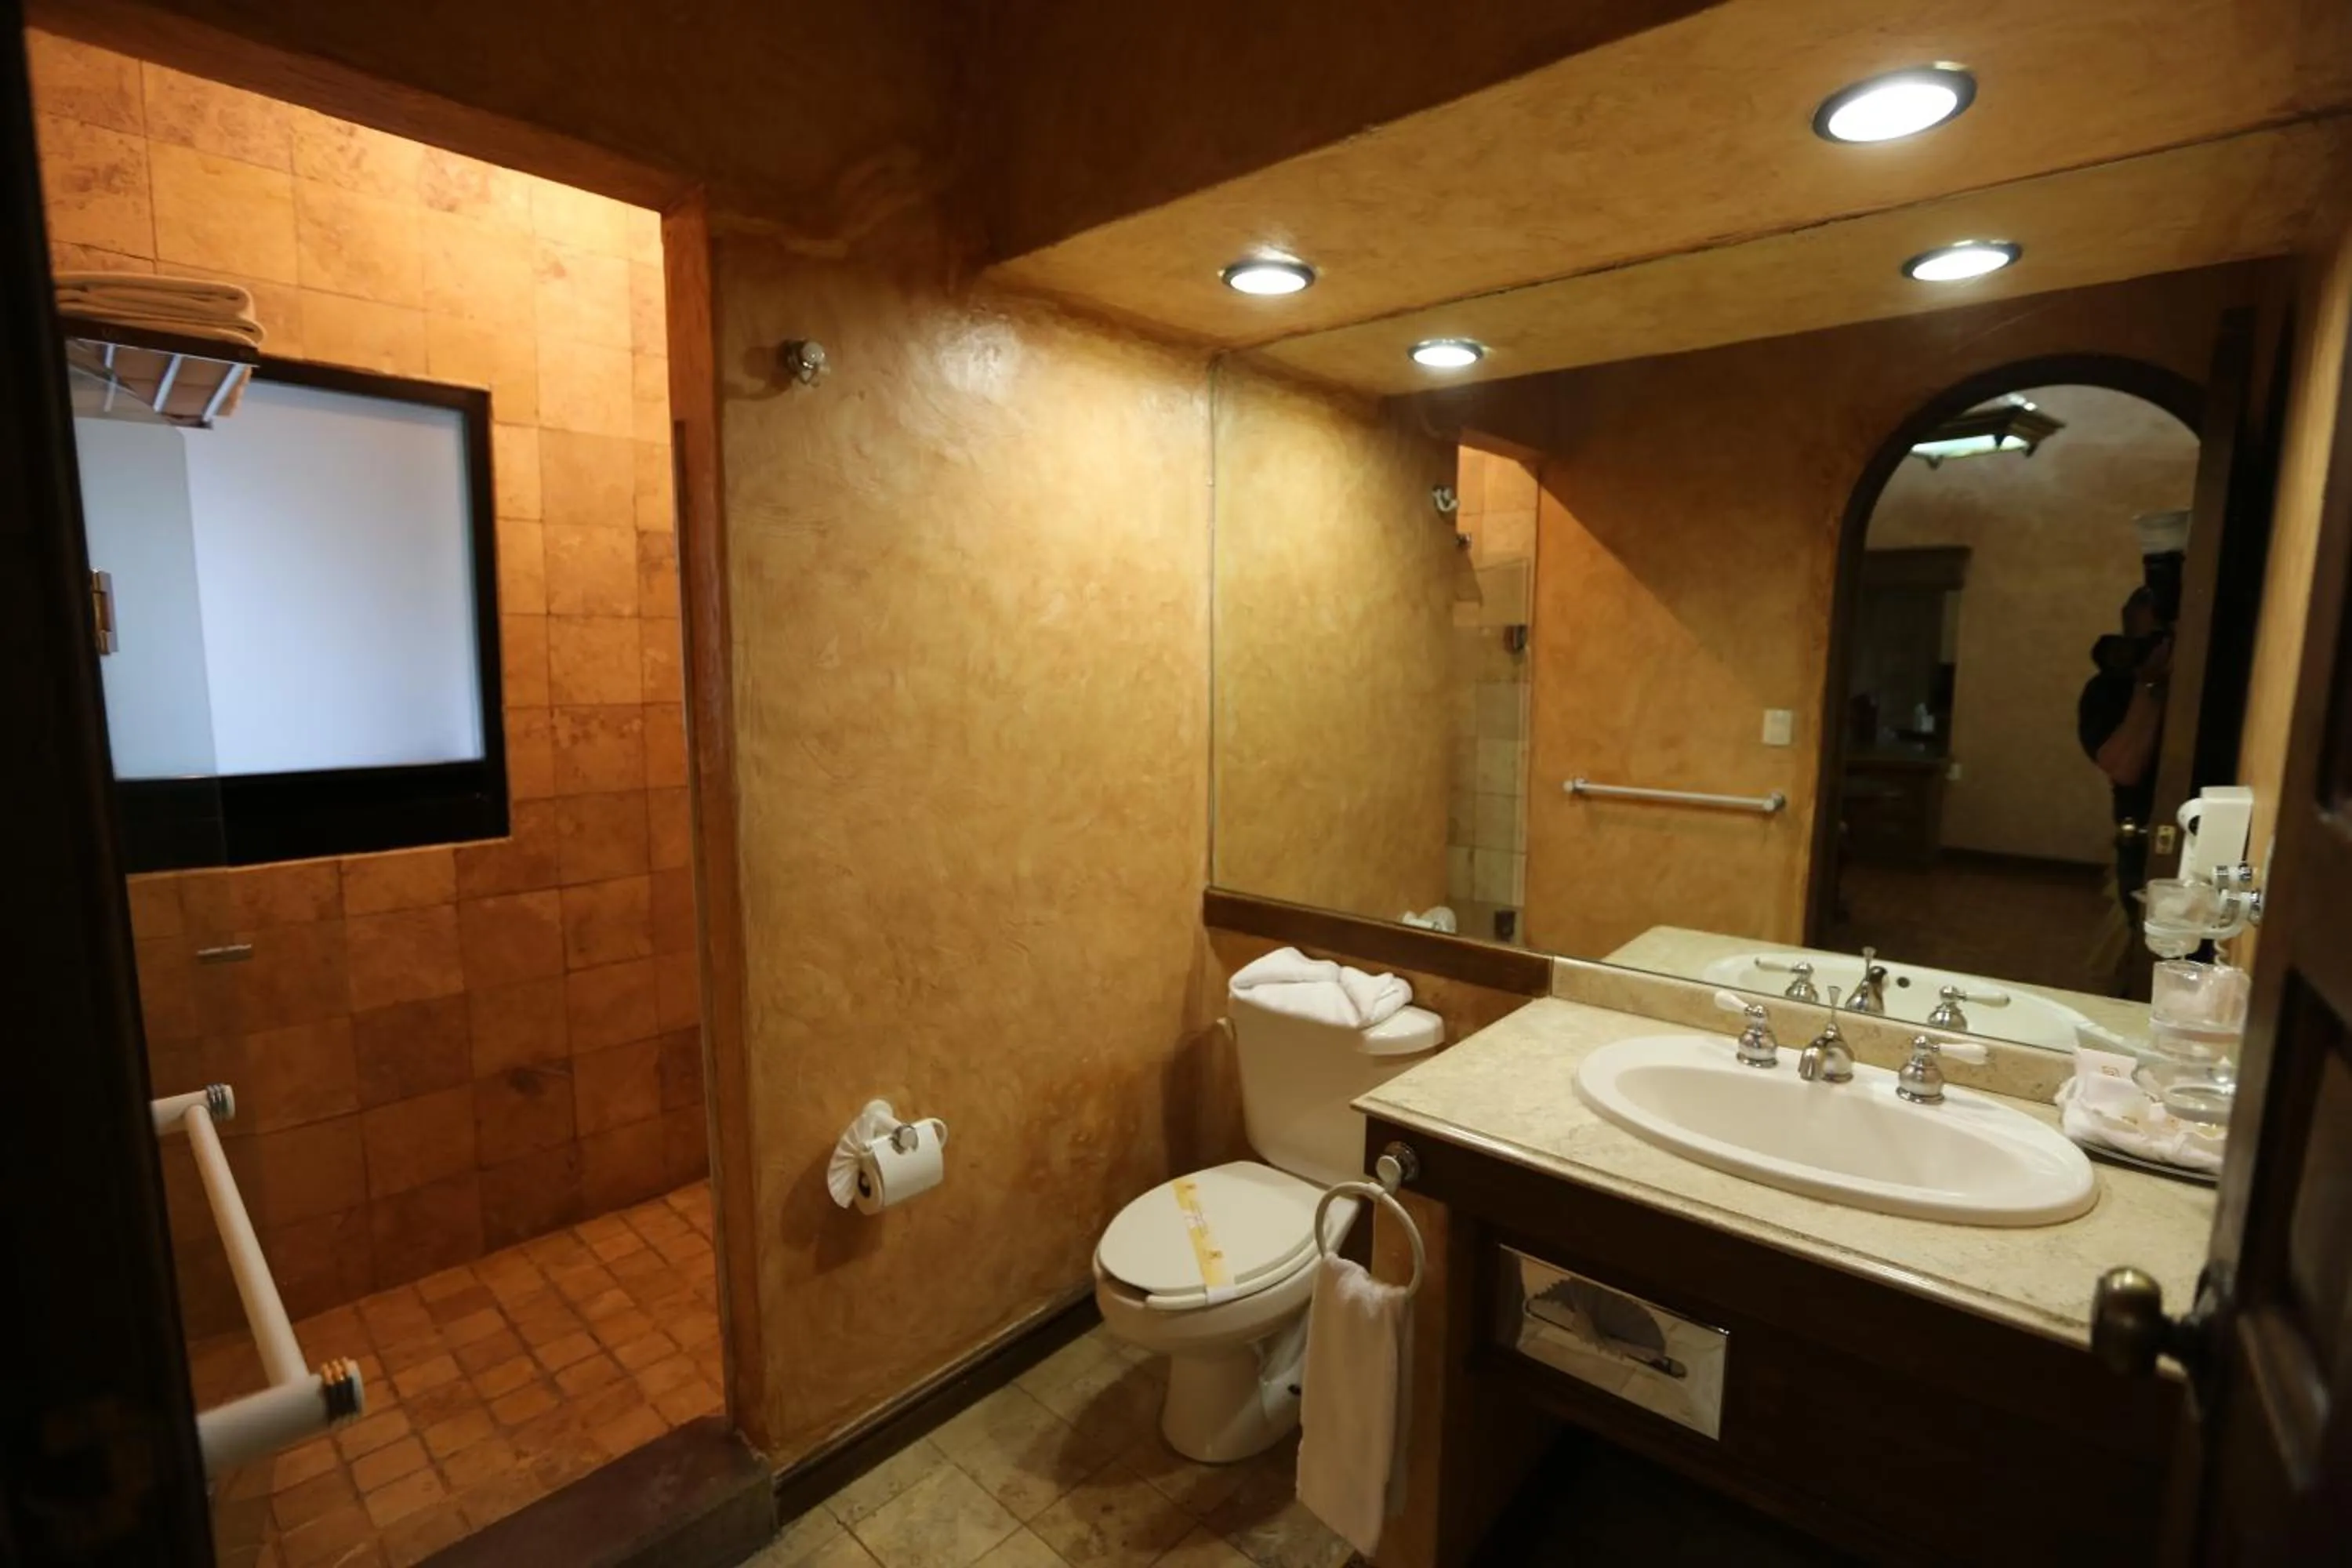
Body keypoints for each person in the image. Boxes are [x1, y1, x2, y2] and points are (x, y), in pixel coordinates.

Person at [2078, 586, 2170, 917]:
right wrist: (2149, 687)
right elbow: (2124, 768)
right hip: (2146, 841)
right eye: (2148, 640)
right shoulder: (2107, 690)